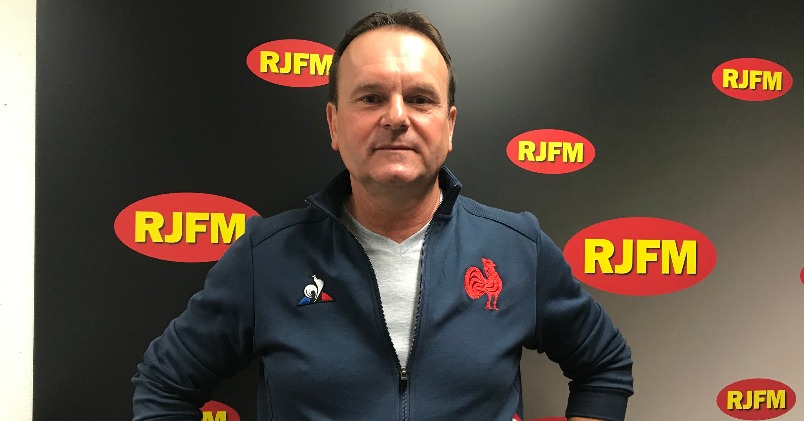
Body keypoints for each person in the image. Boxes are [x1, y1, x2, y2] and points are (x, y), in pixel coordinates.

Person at [132, 10, 633, 421]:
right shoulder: (265, 258)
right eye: (371, 98)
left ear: (449, 127)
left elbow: (604, 366)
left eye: (420, 99)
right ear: (334, 123)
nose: (396, 116)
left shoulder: (517, 248)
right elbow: (163, 386)